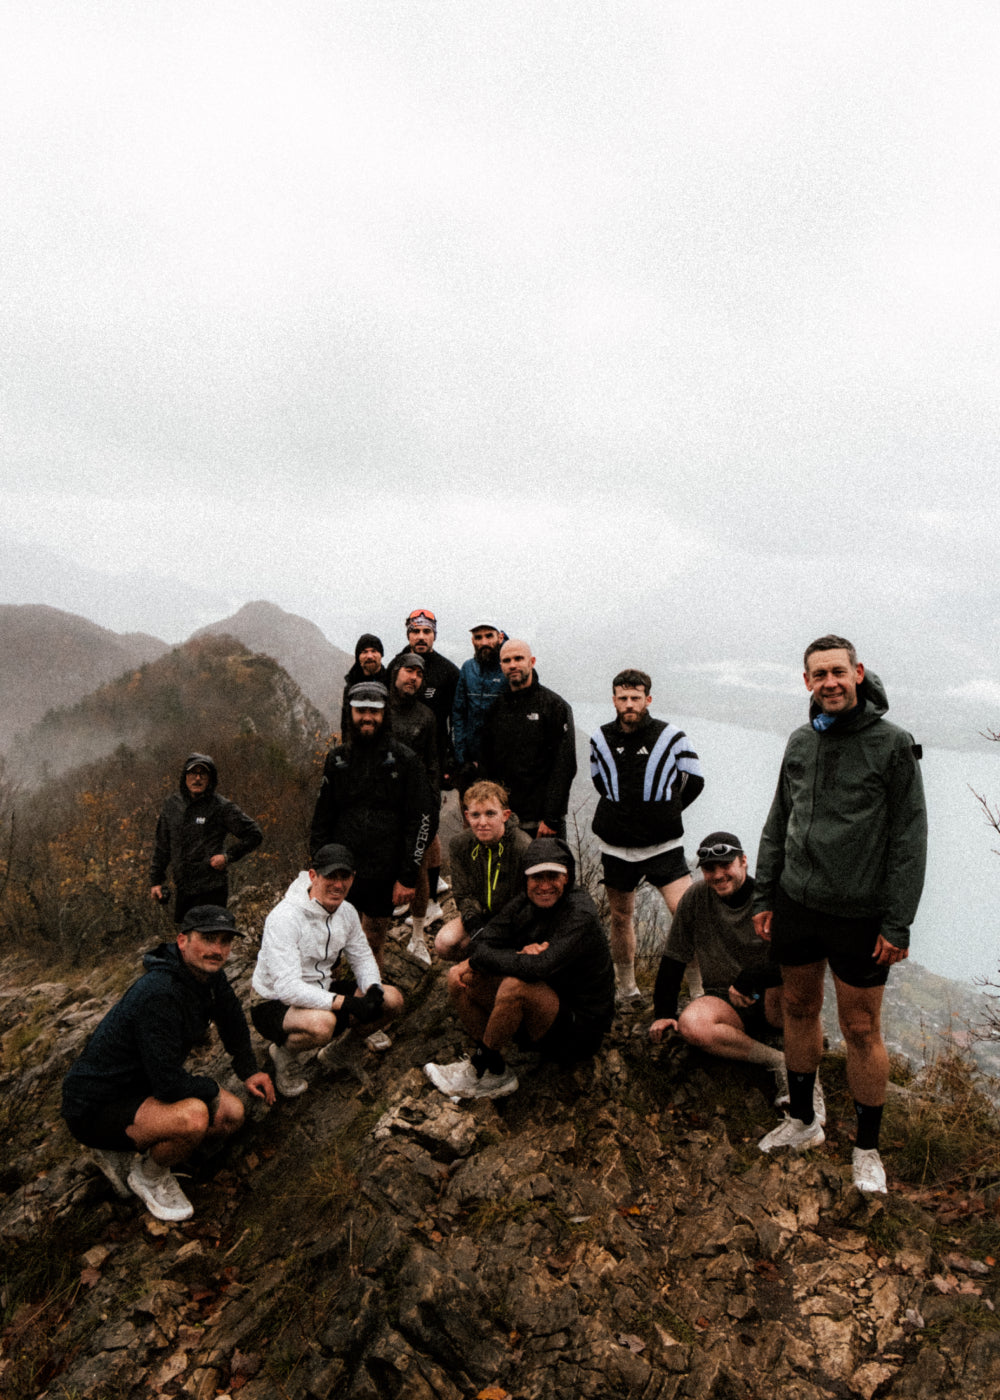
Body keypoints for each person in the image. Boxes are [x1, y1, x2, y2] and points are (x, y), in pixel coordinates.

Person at [753, 635, 927, 1195]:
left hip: (859, 913)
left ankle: (867, 1149)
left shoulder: (892, 744)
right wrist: (764, 894)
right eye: (818, 674)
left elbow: (909, 838)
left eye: (837, 671)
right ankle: (804, 1120)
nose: (829, 682)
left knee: (860, 1028)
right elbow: (779, 820)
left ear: (858, 673)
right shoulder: (801, 741)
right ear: (806, 681)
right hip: (797, 903)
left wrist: (897, 921)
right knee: (798, 1009)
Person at [61, 906, 275, 1223]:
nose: (217, 950)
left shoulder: (209, 977)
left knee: (231, 1115)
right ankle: (148, 1175)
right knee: (195, 1117)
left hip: (141, 1089)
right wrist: (210, 1089)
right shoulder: (160, 992)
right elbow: (169, 1085)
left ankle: (147, 1149)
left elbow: (231, 1020)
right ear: (182, 941)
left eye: (225, 941)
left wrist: (249, 1070)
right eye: (208, 939)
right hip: (95, 1106)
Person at [424, 836, 615, 1099]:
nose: (544, 886)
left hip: (580, 1028)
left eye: (553, 876)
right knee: (461, 977)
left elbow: (540, 967)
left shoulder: (580, 914)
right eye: (537, 877)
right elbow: (481, 943)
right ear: (526, 879)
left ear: (567, 878)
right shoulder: (523, 903)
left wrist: (519, 961)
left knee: (516, 986)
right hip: (545, 1007)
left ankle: (479, 1066)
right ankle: (495, 1070)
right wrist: (517, 955)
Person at [648, 833, 804, 1112]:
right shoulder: (695, 898)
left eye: (725, 865)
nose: (718, 875)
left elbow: (799, 956)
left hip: (771, 997)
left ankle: (806, 1084)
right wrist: (663, 1012)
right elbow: (675, 956)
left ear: (743, 861)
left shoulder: (770, 899)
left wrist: (753, 978)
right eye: (709, 868)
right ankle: (778, 1061)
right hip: (724, 1001)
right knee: (691, 1024)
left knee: (796, 986)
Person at [589, 670, 704, 1006]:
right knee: (621, 917)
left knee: (684, 913)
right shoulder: (600, 738)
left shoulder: (672, 736)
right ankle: (627, 990)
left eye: (635, 698)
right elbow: (600, 781)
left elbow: (694, 780)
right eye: (623, 698)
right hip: (616, 847)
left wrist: (666, 811)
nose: (629, 704)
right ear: (614, 700)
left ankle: (699, 990)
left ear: (647, 699)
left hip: (663, 846)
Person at [251, 844, 404, 1096]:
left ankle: (340, 1052)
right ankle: (283, 1054)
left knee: (391, 1000)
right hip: (273, 1000)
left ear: (353, 877)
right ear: (313, 876)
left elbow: (362, 956)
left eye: (345, 877)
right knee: (323, 1024)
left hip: (320, 988)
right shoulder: (285, 917)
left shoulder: (347, 912)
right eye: (330, 876)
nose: (338, 884)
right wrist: (346, 1003)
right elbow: (288, 988)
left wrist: (372, 988)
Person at [310, 680, 433, 969]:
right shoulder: (337, 759)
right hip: (340, 868)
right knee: (332, 937)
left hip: (384, 870)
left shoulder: (406, 760)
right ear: (350, 713)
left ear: (384, 714)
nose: (367, 717)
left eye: (374, 711)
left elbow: (421, 821)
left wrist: (408, 876)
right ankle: (330, 989)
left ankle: (372, 992)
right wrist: (317, 865)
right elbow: (322, 816)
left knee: (373, 940)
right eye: (361, 710)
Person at [393, 608, 461, 904]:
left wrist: (450, 762)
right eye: (415, 631)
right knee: (404, 825)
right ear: (408, 634)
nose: (421, 637)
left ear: (434, 635)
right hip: (399, 760)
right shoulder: (396, 664)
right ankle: (412, 887)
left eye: (426, 632)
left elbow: (457, 720)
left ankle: (430, 895)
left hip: (435, 760)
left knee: (429, 827)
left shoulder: (448, 672)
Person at [480, 638, 577, 841]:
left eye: (518, 658)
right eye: (507, 660)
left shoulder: (554, 706)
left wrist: (551, 818)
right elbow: (488, 765)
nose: (513, 665)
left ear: (531, 662)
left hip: (543, 823)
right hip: (506, 821)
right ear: (501, 666)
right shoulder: (495, 710)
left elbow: (564, 766)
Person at [149, 754, 263, 923]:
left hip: (211, 888)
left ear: (210, 778)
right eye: (193, 773)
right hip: (183, 888)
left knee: (209, 936)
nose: (197, 778)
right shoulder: (172, 805)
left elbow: (254, 834)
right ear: (184, 776)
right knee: (186, 936)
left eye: (203, 774)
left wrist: (228, 857)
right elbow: (162, 846)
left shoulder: (221, 807)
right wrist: (156, 881)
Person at [435, 780, 533, 962]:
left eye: (490, 814)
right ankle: (477, 964)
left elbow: (524, 900)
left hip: (513, 922)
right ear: (467, 816)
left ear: (505, 815)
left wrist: (496, 932)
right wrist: (475, 927)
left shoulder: (522, 847)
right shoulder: (460, 845)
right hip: (481, 916)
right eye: (475, 815)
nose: (482, 822)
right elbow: (463, 894)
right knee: (444, 943)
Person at [387, 652, 441, 965]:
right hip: (381, 802)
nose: (414, 678)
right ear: (396, 672)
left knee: (417, 866)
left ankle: (418, 936)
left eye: (420, 674)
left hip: (415, 802)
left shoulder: (426, 716)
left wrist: (432, 805)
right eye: (409, 671)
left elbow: (433, 762)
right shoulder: (380, 709)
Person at [451, 621, 507, 787]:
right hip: (471, 763)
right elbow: (458, 713)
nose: (484, 642)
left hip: (501, 762)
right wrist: (462, 757)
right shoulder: (468, 668)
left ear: (500, 637)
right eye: (478, 637)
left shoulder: (508, 667)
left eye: (489, 636)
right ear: (472, 640)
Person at [340, 634, 388, 735]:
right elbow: (346, 723)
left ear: (381, 655)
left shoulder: (391, 682)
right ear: (358, 657)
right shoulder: (351, 685)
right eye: (364, 652)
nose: (369, 656)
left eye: (374, 651)